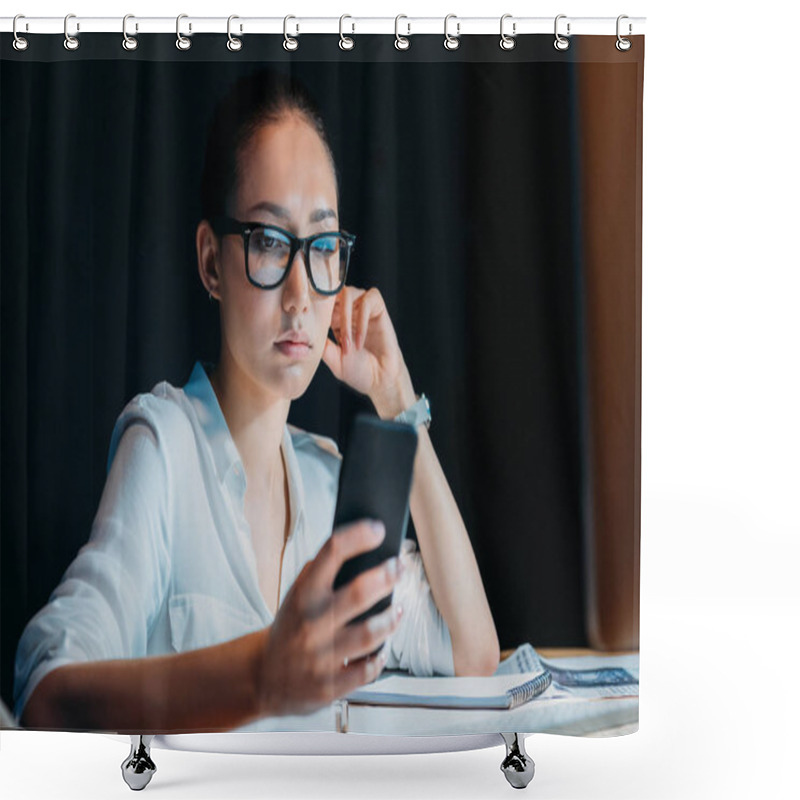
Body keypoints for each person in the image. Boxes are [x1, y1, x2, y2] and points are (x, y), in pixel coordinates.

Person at [13, 68, 499, 734]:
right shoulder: (163, 446)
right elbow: (45, 690)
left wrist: (397, 395)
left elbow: (473, 652)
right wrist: (261, 678)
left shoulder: (329, 484)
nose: (301, 294)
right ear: (212, 262)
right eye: (271, 242)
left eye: (323, 246)